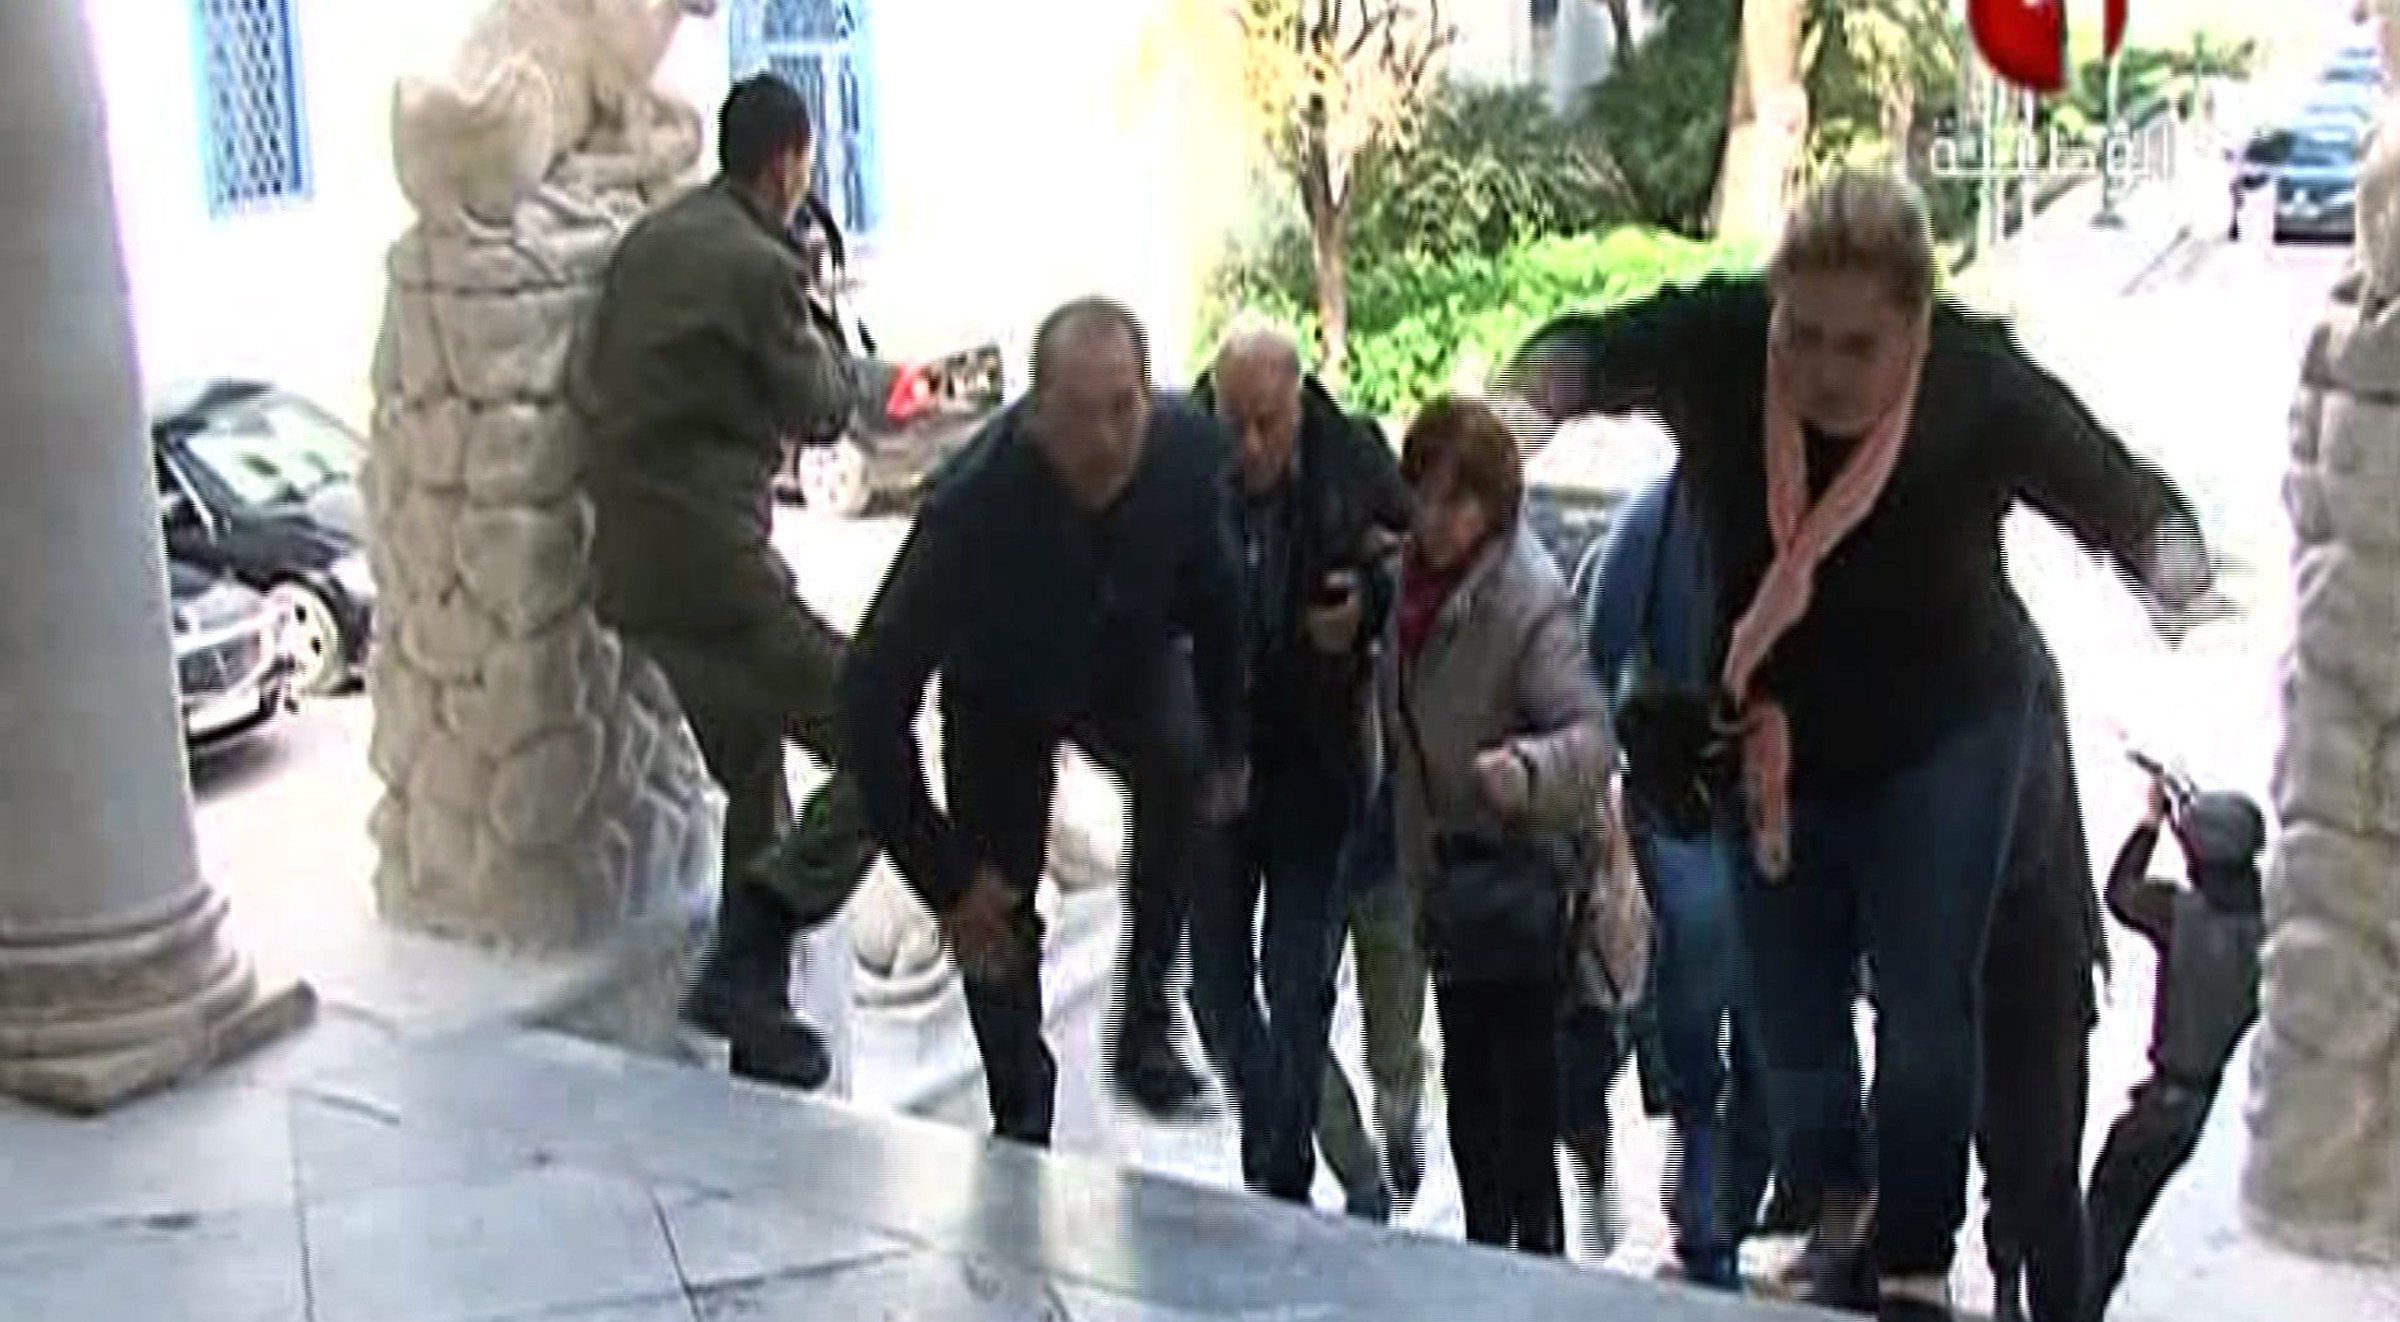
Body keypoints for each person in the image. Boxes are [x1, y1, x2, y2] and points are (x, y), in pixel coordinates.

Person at [1507, 168, 2210, 1319]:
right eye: (1806, 335)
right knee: (1788, 1013)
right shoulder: (1729, 344)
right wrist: (1538, 393)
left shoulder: (1976, 381)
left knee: (1928, 1008)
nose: (1824, 372)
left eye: (1858, 346)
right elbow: (1600, 344)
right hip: (1782, 735)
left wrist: (2169, 557)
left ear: (1917, 325)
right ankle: (1837, 1201)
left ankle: (1915, 1257)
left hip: (1949, 732)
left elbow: (2100, 477)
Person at [838, 297, 1248, 1145]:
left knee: (1180, 761)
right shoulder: (969, 510)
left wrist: (1231, 740)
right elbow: (872, 694)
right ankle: (1019, 1100)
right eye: (1077, 416)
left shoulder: (1187, 454)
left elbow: (1220, 603)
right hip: (1002, 695)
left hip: (1125, 659)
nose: (1105, 442)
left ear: (1148, 397)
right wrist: (942, 876)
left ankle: (1144, 1015)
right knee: (995, 914)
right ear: (1035, 414)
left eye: (1122, 410)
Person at [568, 73, 874, 1092]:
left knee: (753, 767)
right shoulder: (761, 266)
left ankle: (760, 1018)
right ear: (789, 162)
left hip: (632, 575)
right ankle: (750, 953)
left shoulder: (657, 241)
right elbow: (826, 405)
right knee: (876, 739)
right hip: (716, 567)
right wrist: (819, 297)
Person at [1183, 327, 1413, 1205]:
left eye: (1265, 425)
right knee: (1214, 993)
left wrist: (1368, 606)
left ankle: (1298, 1178)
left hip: (1317, 769)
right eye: (1230, 422)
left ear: (1297, 406)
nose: (1247, 447)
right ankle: (1301, 1148)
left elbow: (1426, 562)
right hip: (1219, 765)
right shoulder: (1190, 473)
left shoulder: (1351, 462)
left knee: (1298, 985)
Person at [1389, 396, 1613, 1256]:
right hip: (1448, 885)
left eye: (1458, 501)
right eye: (1425, 495)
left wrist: (1524, 772)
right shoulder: (1404, 582)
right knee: (1473, 1106)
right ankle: (1492, 1272)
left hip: (1517, 889)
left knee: (1517, 1116)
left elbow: (1591, 740)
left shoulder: (1528, 601)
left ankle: (1534, 1272)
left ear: (1493, 505)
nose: (1435, 519)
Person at [1583, 464, 1778, 1288]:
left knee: (1752, 1022)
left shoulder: (1666, 520)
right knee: (1716, 1002)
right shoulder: (1657, 520)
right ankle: (1710, 1209)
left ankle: (1719, 1209)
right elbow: (1594, 659)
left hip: (1759, 807)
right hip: (1694, 799)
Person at [2082, 777, 2267, 1320]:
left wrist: (2150, 824)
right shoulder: (2277, 926)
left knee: (2107, 1214)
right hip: (2224, 1113)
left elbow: (2119, 891)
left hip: (2166, 1105)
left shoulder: (2178, 912)